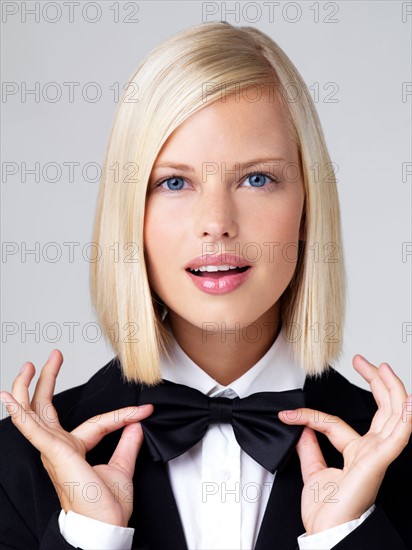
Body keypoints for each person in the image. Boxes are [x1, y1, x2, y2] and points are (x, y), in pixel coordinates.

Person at [0, 21, 411, 550]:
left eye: (257, 179)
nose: (216, 222)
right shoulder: (15, 467)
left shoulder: (400, 462)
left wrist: (348, 539)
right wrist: (89, 538)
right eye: (174, 182)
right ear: (130, 217)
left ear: (308, 206)